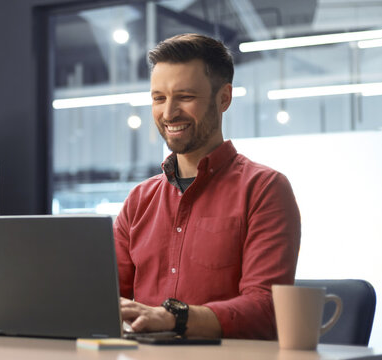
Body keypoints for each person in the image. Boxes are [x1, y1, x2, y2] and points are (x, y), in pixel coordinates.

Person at [113, 33, 301, 340]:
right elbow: (103, 299)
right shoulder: (139, 200)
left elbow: (266, 308)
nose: (169, 113)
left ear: (224, 97)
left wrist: (173, 318)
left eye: (185, 97)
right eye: (159, 98)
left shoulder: (265, 189)